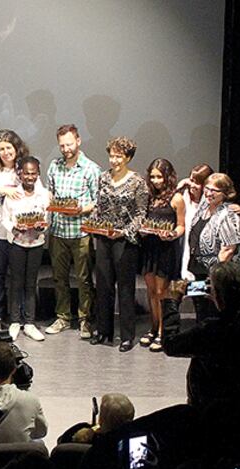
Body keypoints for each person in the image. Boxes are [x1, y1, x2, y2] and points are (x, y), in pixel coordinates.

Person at [162, 262, 240, 411]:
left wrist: (172, 302)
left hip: (208, 407)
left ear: (217, 293)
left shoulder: (211, 329)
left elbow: (170, 344)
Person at [88, 136, 148, 351]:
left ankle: (126, 336)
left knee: (125, 288)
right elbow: (98, 206)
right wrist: (93, 224)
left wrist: (124, 232)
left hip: (125, 241)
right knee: (103, 286)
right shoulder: (103, 178)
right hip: (104, 238)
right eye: (111, 156)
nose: (114, 160)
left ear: (128, 157)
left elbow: (141, 213)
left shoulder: (137, 182)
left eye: (118, 156)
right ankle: (103, 331)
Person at [45, 124, 101, 339]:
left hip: (81, 232)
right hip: (58, 231)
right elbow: (50, 193)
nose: (66, 148)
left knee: (84, 278)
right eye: (62, 145)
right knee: (59, 278)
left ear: (78, 141)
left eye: (69, 144)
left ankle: (85, 319)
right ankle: (63, 317)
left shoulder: (91, 168)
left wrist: (80, 209)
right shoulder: (54, 166)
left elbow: (97, 202)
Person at [0, 129, 30, 330]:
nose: (5, 152)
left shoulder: (26, 168)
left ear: (17, 148)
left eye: (9, 147)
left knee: (20, 276)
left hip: (21, 233)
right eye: (1, 149)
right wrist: (1, 191)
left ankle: (21, 316)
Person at [139, 158, 185, 352]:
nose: (156, 181)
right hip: (149, 247)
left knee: (161, 292)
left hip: (166, 250)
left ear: (168, 177)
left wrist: (172, 234)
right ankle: (153, 326)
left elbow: (181, 225)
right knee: (150, 291)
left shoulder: (176, 198)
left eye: (160, 177)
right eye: (153, 176)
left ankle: (161, 331)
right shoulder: (149, 196)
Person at [2, 156, 50, 342]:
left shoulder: (44, 194)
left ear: (38, 174)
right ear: (20, 174)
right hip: (17, 243)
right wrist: (15, 228)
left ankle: (29, 322)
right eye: (26, 173)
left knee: (31, 283)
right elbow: (6, 218)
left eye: (33, 173)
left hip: (36, 243)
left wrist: (41, 227)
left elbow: (47, 219)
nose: (30, 177)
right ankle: (15, 321)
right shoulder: (13, 194)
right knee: (16, 282)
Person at [186, 172, 240, 322]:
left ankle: (212, 343)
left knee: (213, 312)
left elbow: (228, 249)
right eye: (207, 188)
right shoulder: (204, 205)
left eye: (214, 190)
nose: (208, 193)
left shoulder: (229, 214)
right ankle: (202, 339)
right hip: (198, 267)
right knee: (200, 307)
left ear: (225, 193)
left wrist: (214, 278)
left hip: (216, 274)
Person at [177, 163, 213, 281]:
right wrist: (178, 187)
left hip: (202, 258)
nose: (192, 185)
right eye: (191, 180)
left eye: (197, 182)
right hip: (184, 251)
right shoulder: (184, 196)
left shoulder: (211, 202)